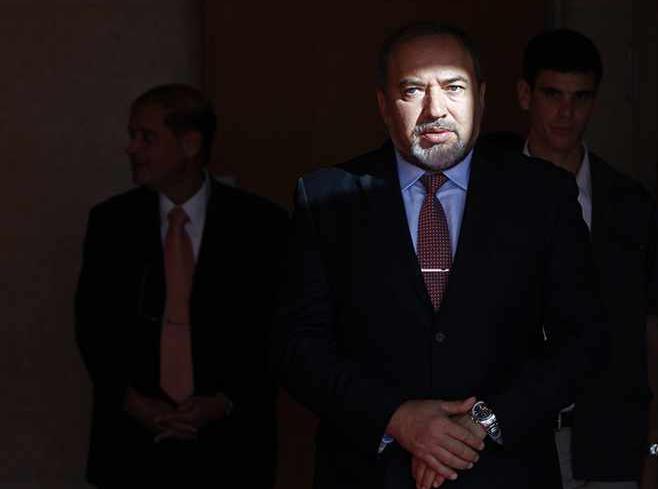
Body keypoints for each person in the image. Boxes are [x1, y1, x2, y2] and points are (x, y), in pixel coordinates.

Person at [273, 22, 605, 489]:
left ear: (482, 98)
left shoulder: (542, 195)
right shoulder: (327, 198)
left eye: (453, 87)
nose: (435, 109)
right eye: (412, 90)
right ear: (384, 106)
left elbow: (584, 341)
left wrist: (482, 423)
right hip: (369, 474)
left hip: (505, 473)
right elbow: (298, 348)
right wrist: (396, 419)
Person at [75, 84, 290, 488]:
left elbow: (275, 328)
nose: (132, 148)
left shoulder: (260, 226)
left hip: (232, 447)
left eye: (146, 137)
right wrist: (133, 401)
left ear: (190, 144)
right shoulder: (111, 223)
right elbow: (92, 325)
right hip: (130, 446)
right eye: (132, 136)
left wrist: (225, 401)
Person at [516, 29, 658, 489]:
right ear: (526, 95)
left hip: (610, 442)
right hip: (511, 439)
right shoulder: (486, 192)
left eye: (580, 98)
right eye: (553, 95)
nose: (566, 113)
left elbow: (650, 328)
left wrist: (655, 445)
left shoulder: (628, 204)